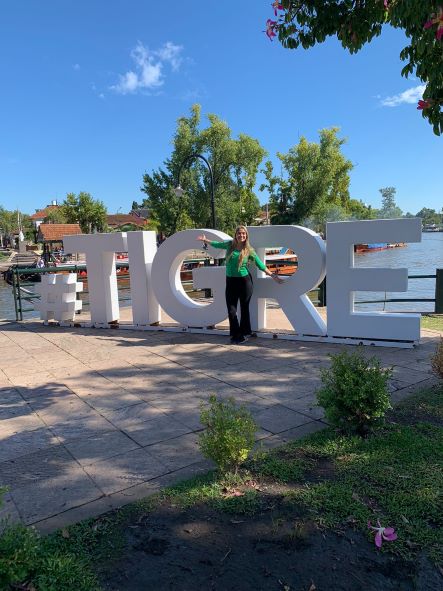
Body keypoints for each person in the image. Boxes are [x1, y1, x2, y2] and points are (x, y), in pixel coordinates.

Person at [197, 226, 283, 344]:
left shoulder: (249, 250)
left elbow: (260, 265)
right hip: (230, 281)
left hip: (244, 282)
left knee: (244, 308)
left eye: (243, 234)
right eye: (239, 233)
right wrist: (206, 241)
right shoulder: (229, 245)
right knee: (231, 309)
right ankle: (237, 333)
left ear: (246, 236)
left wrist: (273, 275)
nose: (241, 235)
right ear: (235, 235)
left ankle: (243, 333)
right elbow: (217, 244)